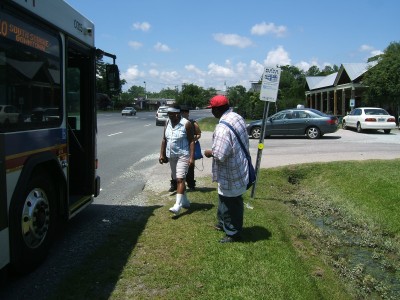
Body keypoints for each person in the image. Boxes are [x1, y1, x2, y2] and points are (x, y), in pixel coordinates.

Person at [204, 95, 249, 243]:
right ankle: (223, 223)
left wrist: (209, 152)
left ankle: (233, 233)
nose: (211, 113)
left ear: (217, 110)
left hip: (231, 170)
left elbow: (220, 154)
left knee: (232, 202)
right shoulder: (236, 117)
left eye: (212, 109)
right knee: (224, 197)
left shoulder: (222, 128)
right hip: (239, 164)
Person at [159, 105, 195, 214]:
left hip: (183, 155)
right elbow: (164, 139)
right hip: (172, 156)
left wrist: (192, 158)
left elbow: (191, 141)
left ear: (177, 114)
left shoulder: (186, 124)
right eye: (168, 115)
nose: (169, 117)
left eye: (171, 115)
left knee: (180, 179)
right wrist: (162, 154)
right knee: (178, 179)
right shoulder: (167, 122)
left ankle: (177, 205)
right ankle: (185, 200)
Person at [168, 106, 201, 191]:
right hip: (177, 150)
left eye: (185, 112)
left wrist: (191, 140)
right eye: (181, 112)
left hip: (189, 149)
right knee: (175, 170)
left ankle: (191, 184)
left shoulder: (192, 122)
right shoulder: (174, 122)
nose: (183, 114)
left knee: (190, 168)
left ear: (188, 113)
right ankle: (174, 185)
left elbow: (198, 134)